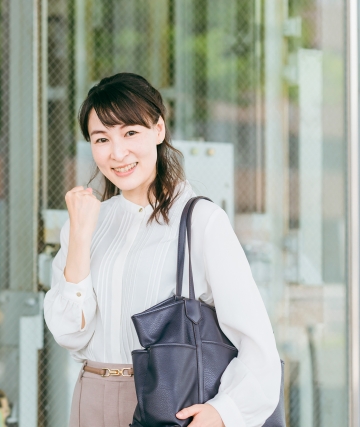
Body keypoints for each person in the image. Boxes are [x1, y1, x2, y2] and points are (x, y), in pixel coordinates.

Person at [43, 73, 281, 427]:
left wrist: (223, 412)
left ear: (158, 130)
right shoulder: (87, 224)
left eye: (130, 133)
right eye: (102, 139)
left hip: (169, 400)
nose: (117, 152)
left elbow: (256, 340)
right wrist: (78, 236)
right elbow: (68, 332)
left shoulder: (201, 221)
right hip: (90, 397)